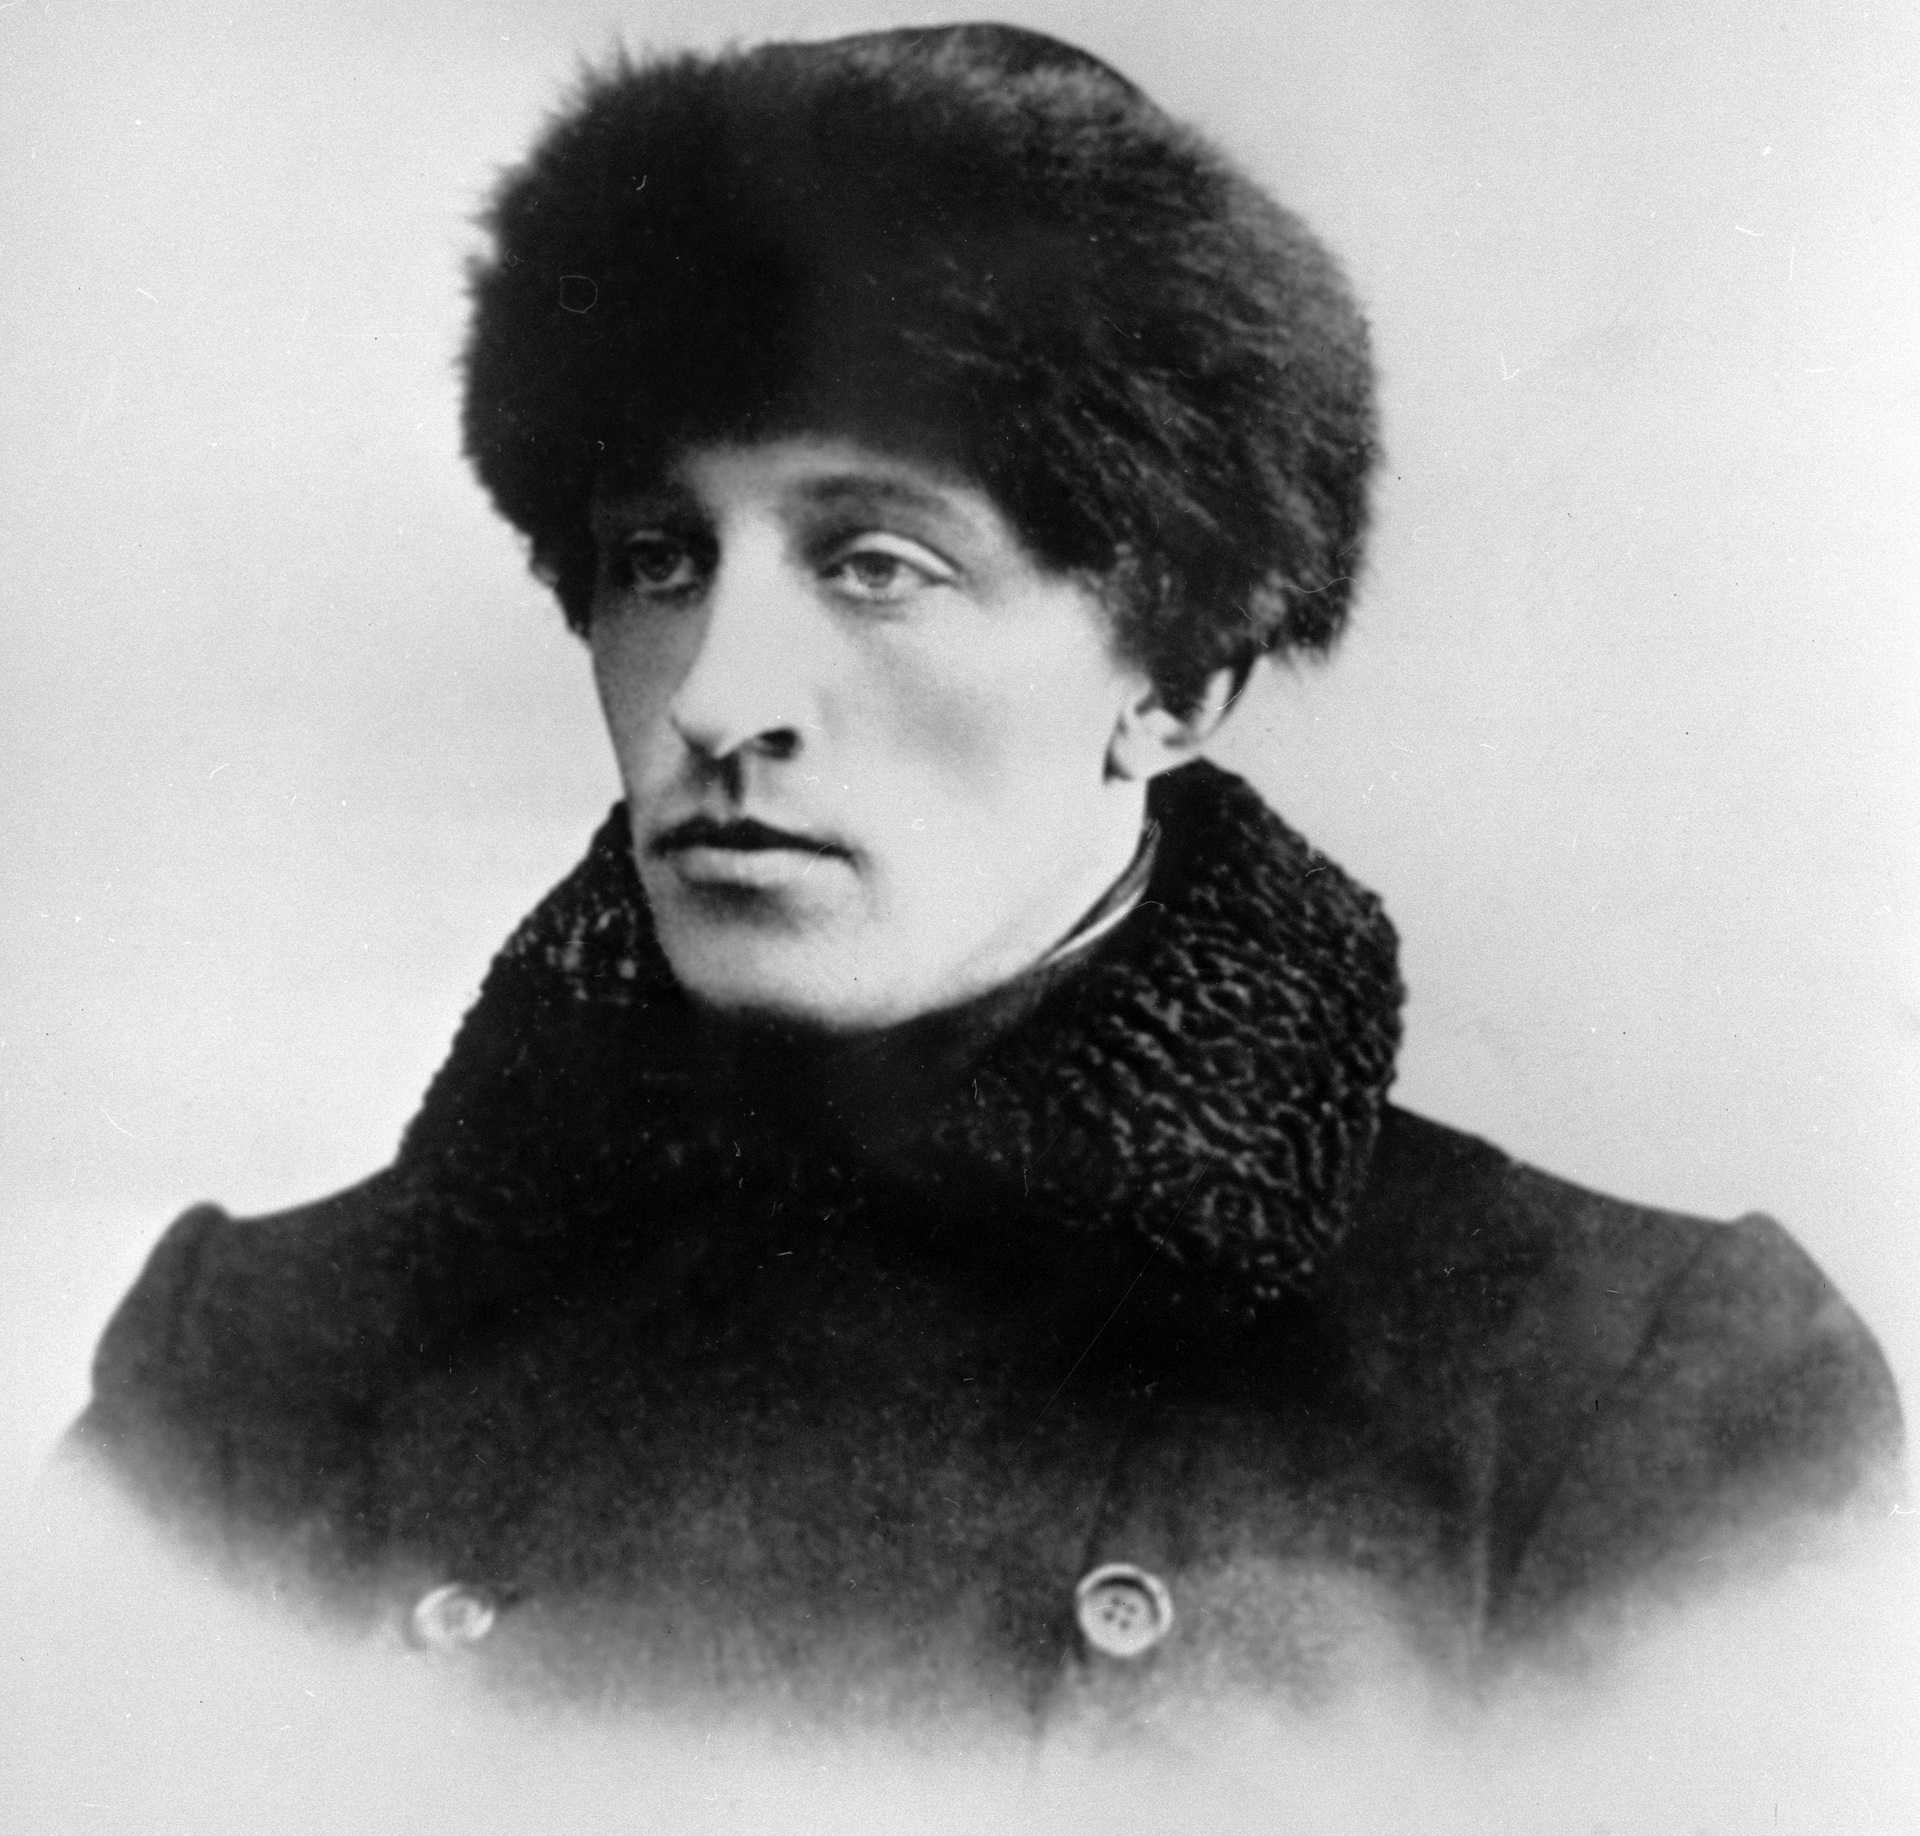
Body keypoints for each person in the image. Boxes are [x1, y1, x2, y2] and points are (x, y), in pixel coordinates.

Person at [66, 24, 1899, 1722]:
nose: (714, 699)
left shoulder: (1621, 1392)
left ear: (1178, 680)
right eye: (658, 560)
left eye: (878, 565)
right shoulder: (255, 1368)